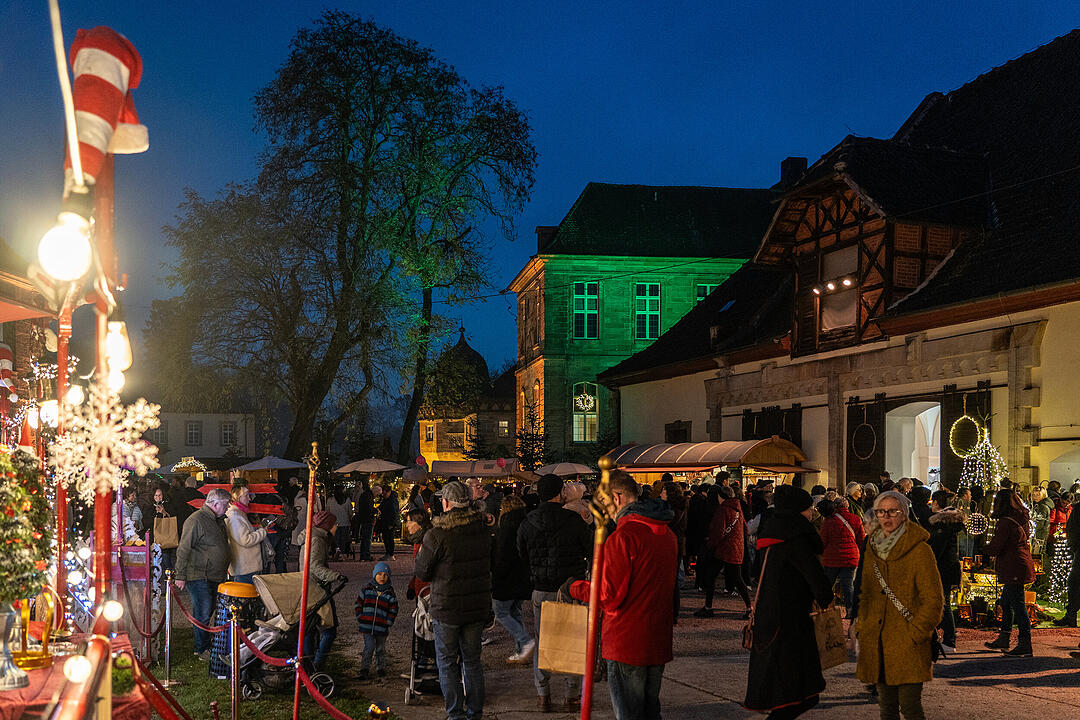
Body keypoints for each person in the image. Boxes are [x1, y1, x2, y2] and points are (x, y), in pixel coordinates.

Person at [568, 470, 677, 720]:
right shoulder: (666, 534)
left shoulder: (624, 538)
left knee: (629, 712)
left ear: (616, 497)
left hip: (626, 640)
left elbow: (609, 596)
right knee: (650, 711)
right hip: (656, 637)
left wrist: (576, 587)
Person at [744, 486, 834, 719]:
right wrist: (825, 598)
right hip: (790, 623)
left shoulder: (773, 530)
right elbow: (815, 578)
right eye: (809, 508)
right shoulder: (796, 537)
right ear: (798, 510)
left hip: (769, 619)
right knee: (799, 694)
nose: (812, 512)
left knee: (783, 694)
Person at [855, 490, 944, 720]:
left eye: (893, 511)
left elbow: (933, 599)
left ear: (904, 514)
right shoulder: (873, 548)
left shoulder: (919, 550)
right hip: (879, 640)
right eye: (881, 511)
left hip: (908, 640)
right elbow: (866, 593)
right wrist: (863, 625)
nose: (887, 517)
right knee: (886, 706)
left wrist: (915, 633)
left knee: (910, 707)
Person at [414, 481, 492, 720]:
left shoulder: (437, 535)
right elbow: (493, 563)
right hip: (476, 607)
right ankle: (474, 712)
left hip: (447, 608)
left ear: (446, 503)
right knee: (472, 661)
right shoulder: (482, 530)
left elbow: (423, 572)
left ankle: (455, 714)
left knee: (447, 662)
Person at [517, 474, 592, 713]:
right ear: (560, 493)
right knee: (571, 641)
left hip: (541, 588)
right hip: (570, 587)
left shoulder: (528, 521)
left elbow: (521, 552)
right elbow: (591, 548)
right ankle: (571, 694)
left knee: (542, 641)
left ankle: (543, 694)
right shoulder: (573, 520)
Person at [174, 488, 232, 660]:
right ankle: (201, 649)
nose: (228, 507)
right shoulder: (196, 520)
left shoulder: (216, 520)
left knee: (208, 610)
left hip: (212, 575)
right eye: (226, 504)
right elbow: (183, 548)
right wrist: (180, 575)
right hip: (199, 575)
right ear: (214, 504)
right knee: (203, 612)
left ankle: (205, 644)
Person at [984, 486, 1036, 656]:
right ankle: (1004, 637)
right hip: (1019, 563)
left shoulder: (1006, 522)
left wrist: (984, 549)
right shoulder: (1021, 518)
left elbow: (997, 546)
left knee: (1018, 605)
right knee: (1006, 603)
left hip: (1013, 566)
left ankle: (1025, 643)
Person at [300, 510, 348, 670]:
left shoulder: (315, 537)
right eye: (335, 524)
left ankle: (309, 662)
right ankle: (316, 664)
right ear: (327, 525)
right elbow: (314, 565)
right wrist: (335, 575)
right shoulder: (317, 540)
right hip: (316, 587)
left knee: (310, 628)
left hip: (310, 586)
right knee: (328, 629)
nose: (336, 526)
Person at [491, 494, 535, 663]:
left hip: (506, 578)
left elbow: (502, 557)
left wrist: (496, 578)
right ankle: (521, 651)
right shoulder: (526, 524)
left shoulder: (506, 528)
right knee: (515, 612)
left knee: (500, 612)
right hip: (521, 576)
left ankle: (525, 641)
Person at [698, 485, 750, 618]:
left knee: (711, 577)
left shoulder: (722, 510)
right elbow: (745, 529)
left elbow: (718, 532)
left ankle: (708, 607)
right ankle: (749, 607)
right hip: (736, 548)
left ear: (720, 496)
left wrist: (710, 544)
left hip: (723, 549)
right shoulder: (737, 509)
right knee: (737, 578)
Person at [928, 489, 965, 650]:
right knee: (943, 603)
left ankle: (949, 640)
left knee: (944, 604)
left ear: (936, 503)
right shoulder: (951, 522)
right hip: (948, 567)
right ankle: (945, 637)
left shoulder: (943, 523)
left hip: (943, 568)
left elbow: (938, 548)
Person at [818, 497, 865, 618]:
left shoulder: (828, 521)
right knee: (848, 585)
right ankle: (850, 610)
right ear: (847, 506)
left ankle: (824, 608)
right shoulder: (856, 519)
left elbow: (823, 541)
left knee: (828, 584)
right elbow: (861, 540)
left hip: (831, 558)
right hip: (850, 557)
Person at [354, 561, 399, 680]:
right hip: (367, 626)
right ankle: (364, 668)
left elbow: (394, 609)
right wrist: (360, 616)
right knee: (368, 648)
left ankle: (381, 667)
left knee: (380, 648)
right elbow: (358, 603)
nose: (382, 577)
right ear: (374, 575)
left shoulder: (390, 593)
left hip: (381, 627)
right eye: (379, 574)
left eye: (385, 575)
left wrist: (388, 622)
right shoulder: (366, 589)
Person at [224, 485, 268, 585]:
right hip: (245, 568)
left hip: (246, 566)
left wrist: (258, 528)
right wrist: (262, 531)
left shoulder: (239, 513)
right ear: (237, 497)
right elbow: (245, 540)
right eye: (246, 496)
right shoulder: (235, 516)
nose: (249, 498)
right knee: (245, 597)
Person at [1054, 493, 1080, 627]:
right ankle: (1071, 615)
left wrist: (1073, 547)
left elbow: (1073, 530)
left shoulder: (1077, 510)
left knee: (1074, 583)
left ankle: (1071, 615)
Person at [326, 486, 353, 557]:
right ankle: (343, 552)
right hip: (345, 522)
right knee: (343, 539)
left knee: (335, 539)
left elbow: (327, 511)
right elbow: (350, 512)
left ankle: (336, 551)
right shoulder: (347, 500)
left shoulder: (330, 500)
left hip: (334, 522)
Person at [354, 477, 376, 560]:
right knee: (367, 538)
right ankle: (366, 555)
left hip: (363, 518)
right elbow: (369, 508)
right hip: (368, 519)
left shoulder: (363, 494)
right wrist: (375, 510)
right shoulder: (368, 495)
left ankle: (364, 554)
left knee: (365, 538)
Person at [376, 483, 400, 560]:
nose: (384, 495)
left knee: (389, 538)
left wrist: (392, 524)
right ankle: (388, 553)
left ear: (389, 492)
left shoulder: (393, 500)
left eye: (385, 493)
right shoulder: (386, 499)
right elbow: (382, 507)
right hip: (385, 521)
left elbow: (394, 512)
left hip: (390, 523)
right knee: (386, 538)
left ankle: (391, 554)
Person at [1031, 485, 1054, 555]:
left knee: (1038, 555)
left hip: (1038, 536)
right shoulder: (1039, 505)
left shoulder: (1042, 506)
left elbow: (1039, 523)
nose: (1035, 497)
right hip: (1041, 535)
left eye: (1038, 495)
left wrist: (1031, 532)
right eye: (1033, 495)